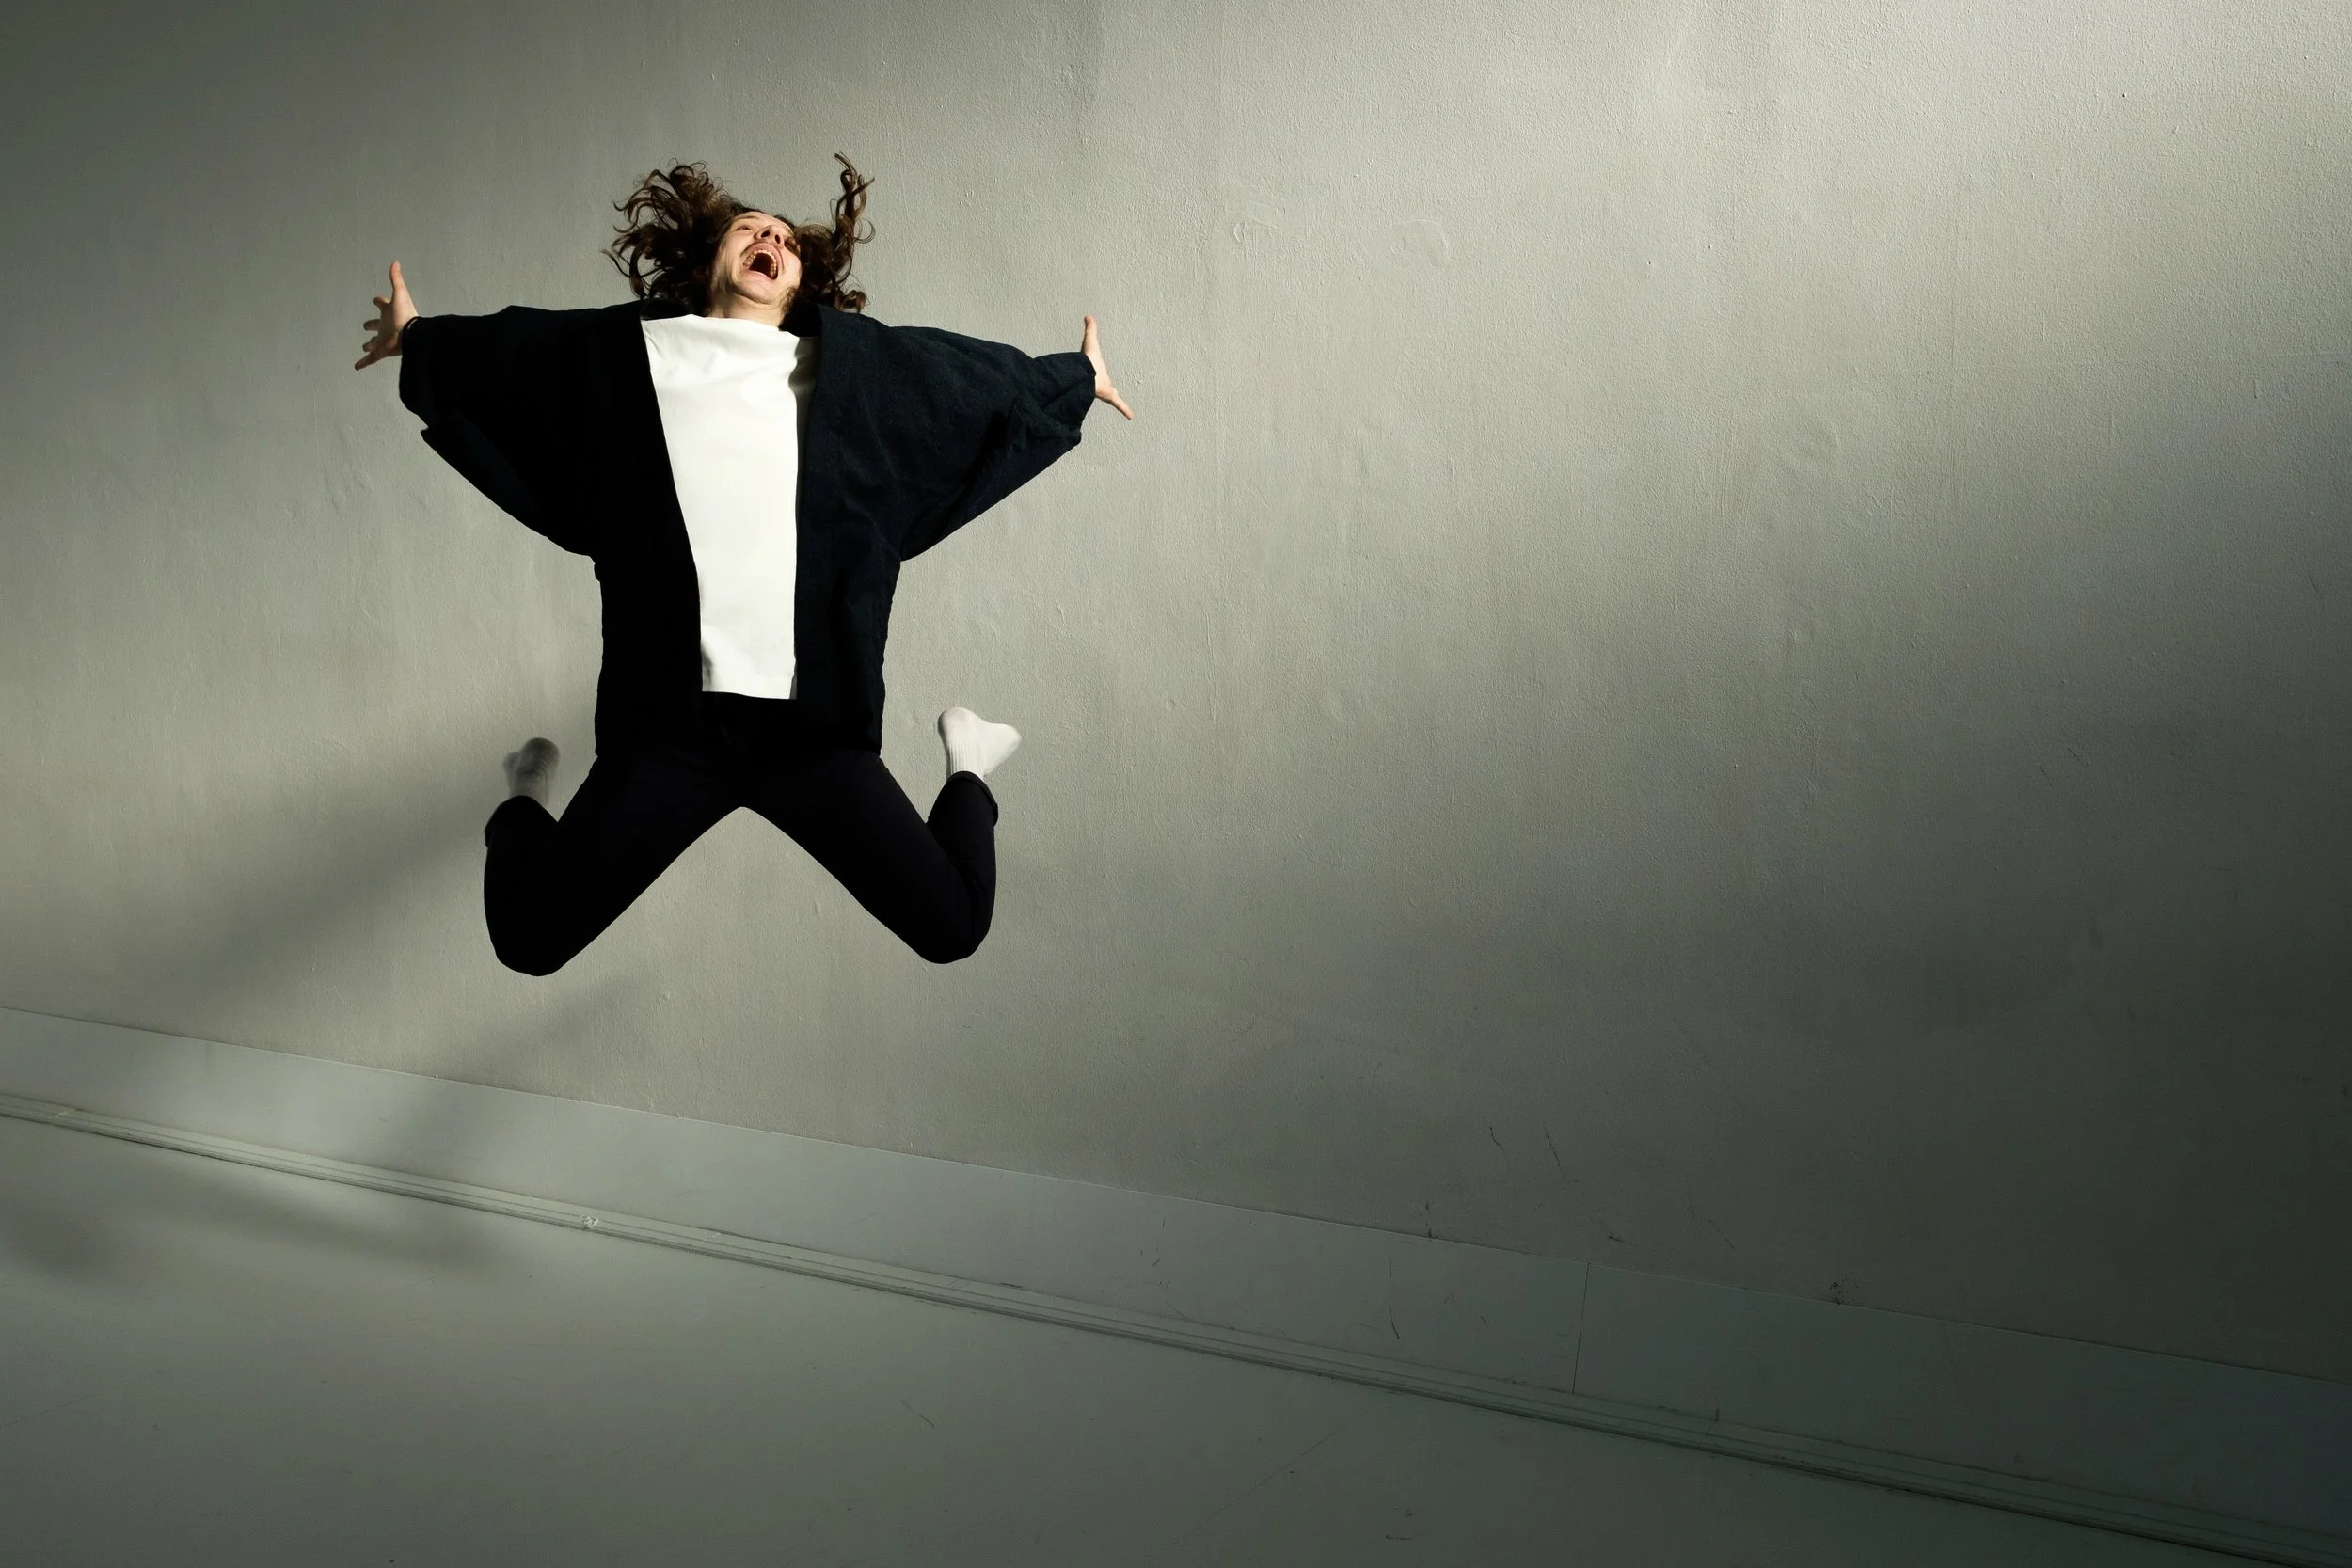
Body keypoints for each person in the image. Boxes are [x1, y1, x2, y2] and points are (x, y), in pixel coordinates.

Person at [355, 157, 1131, 974]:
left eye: (788, 242)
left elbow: (961, 382)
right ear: (709, 258)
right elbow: (522, 354)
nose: (771, 239)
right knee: (528, 939)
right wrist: (418, 337)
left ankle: (968, 759)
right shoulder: (632, 349)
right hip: (669, 730)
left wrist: (1076, 379)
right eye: (749, 229)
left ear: (801, 281)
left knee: (952, 924)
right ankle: (525, 789)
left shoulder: (849, 370)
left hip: (812, 731)